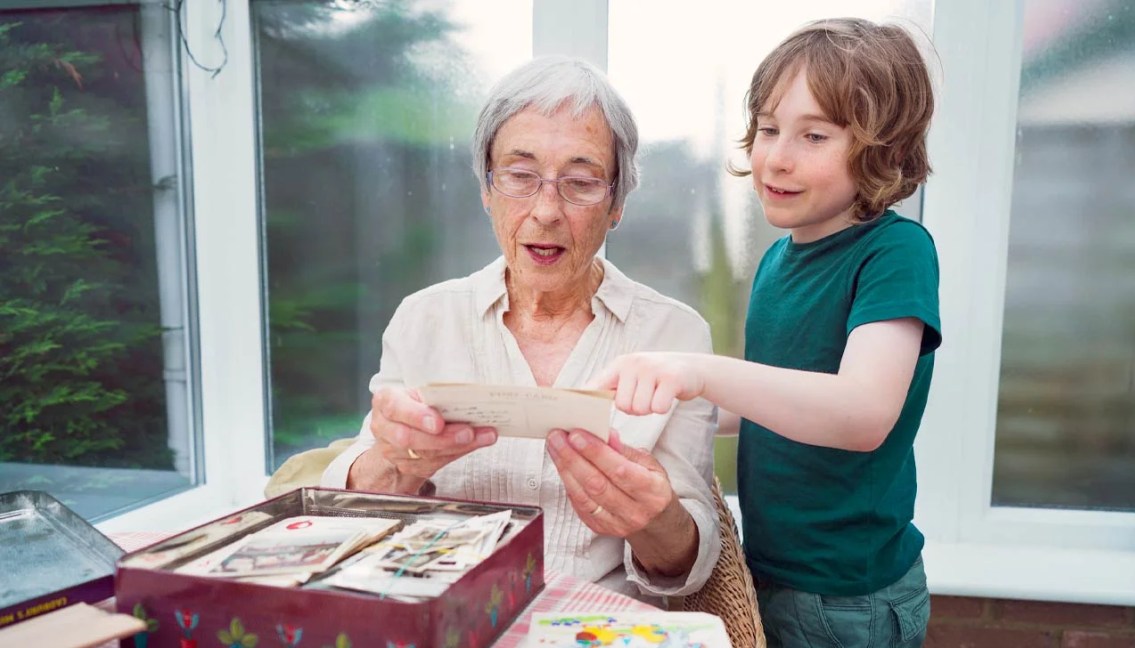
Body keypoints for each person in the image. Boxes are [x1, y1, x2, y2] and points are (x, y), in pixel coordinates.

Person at [319, 56, 721, 604]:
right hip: (438, 617)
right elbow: (349, 511)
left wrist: (654, 519)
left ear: (617, 204)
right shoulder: (425, 318)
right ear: (487, 188)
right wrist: (394, 461)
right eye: (519, 176)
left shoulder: (676, 337)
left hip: (593, 628)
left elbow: (686, 562)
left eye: (580, 182)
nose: (546, 210)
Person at [592, 18, 941, 647]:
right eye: (770, 129)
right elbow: (773, 407)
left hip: (848, 598)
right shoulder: (781, 259)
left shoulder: (895, 252)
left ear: (883, 149)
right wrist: (659, 409)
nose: (777, 156)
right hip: (775, 574)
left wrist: (701, 370)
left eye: (814, 135)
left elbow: (862, 414)